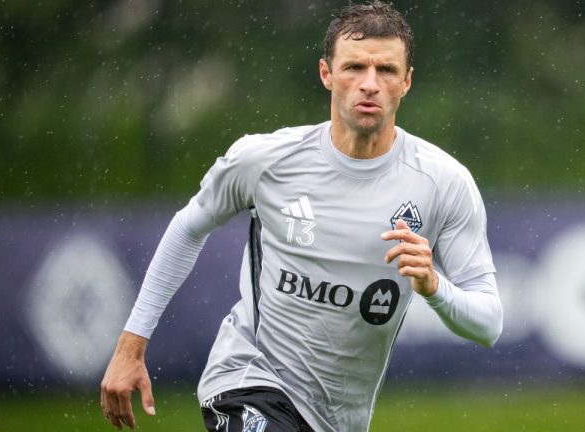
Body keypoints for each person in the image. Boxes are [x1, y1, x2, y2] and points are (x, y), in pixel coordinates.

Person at [100, 1, 503, 431]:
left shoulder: (442, 183)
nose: (369, 84)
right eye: (354, 67)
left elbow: (489, 323)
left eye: (386, 70)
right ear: (326, 73)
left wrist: (435, 287)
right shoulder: (266, 160)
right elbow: (188, 227)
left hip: (338, 419)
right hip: (248, 378)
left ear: (406, 81)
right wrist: (131, 345)